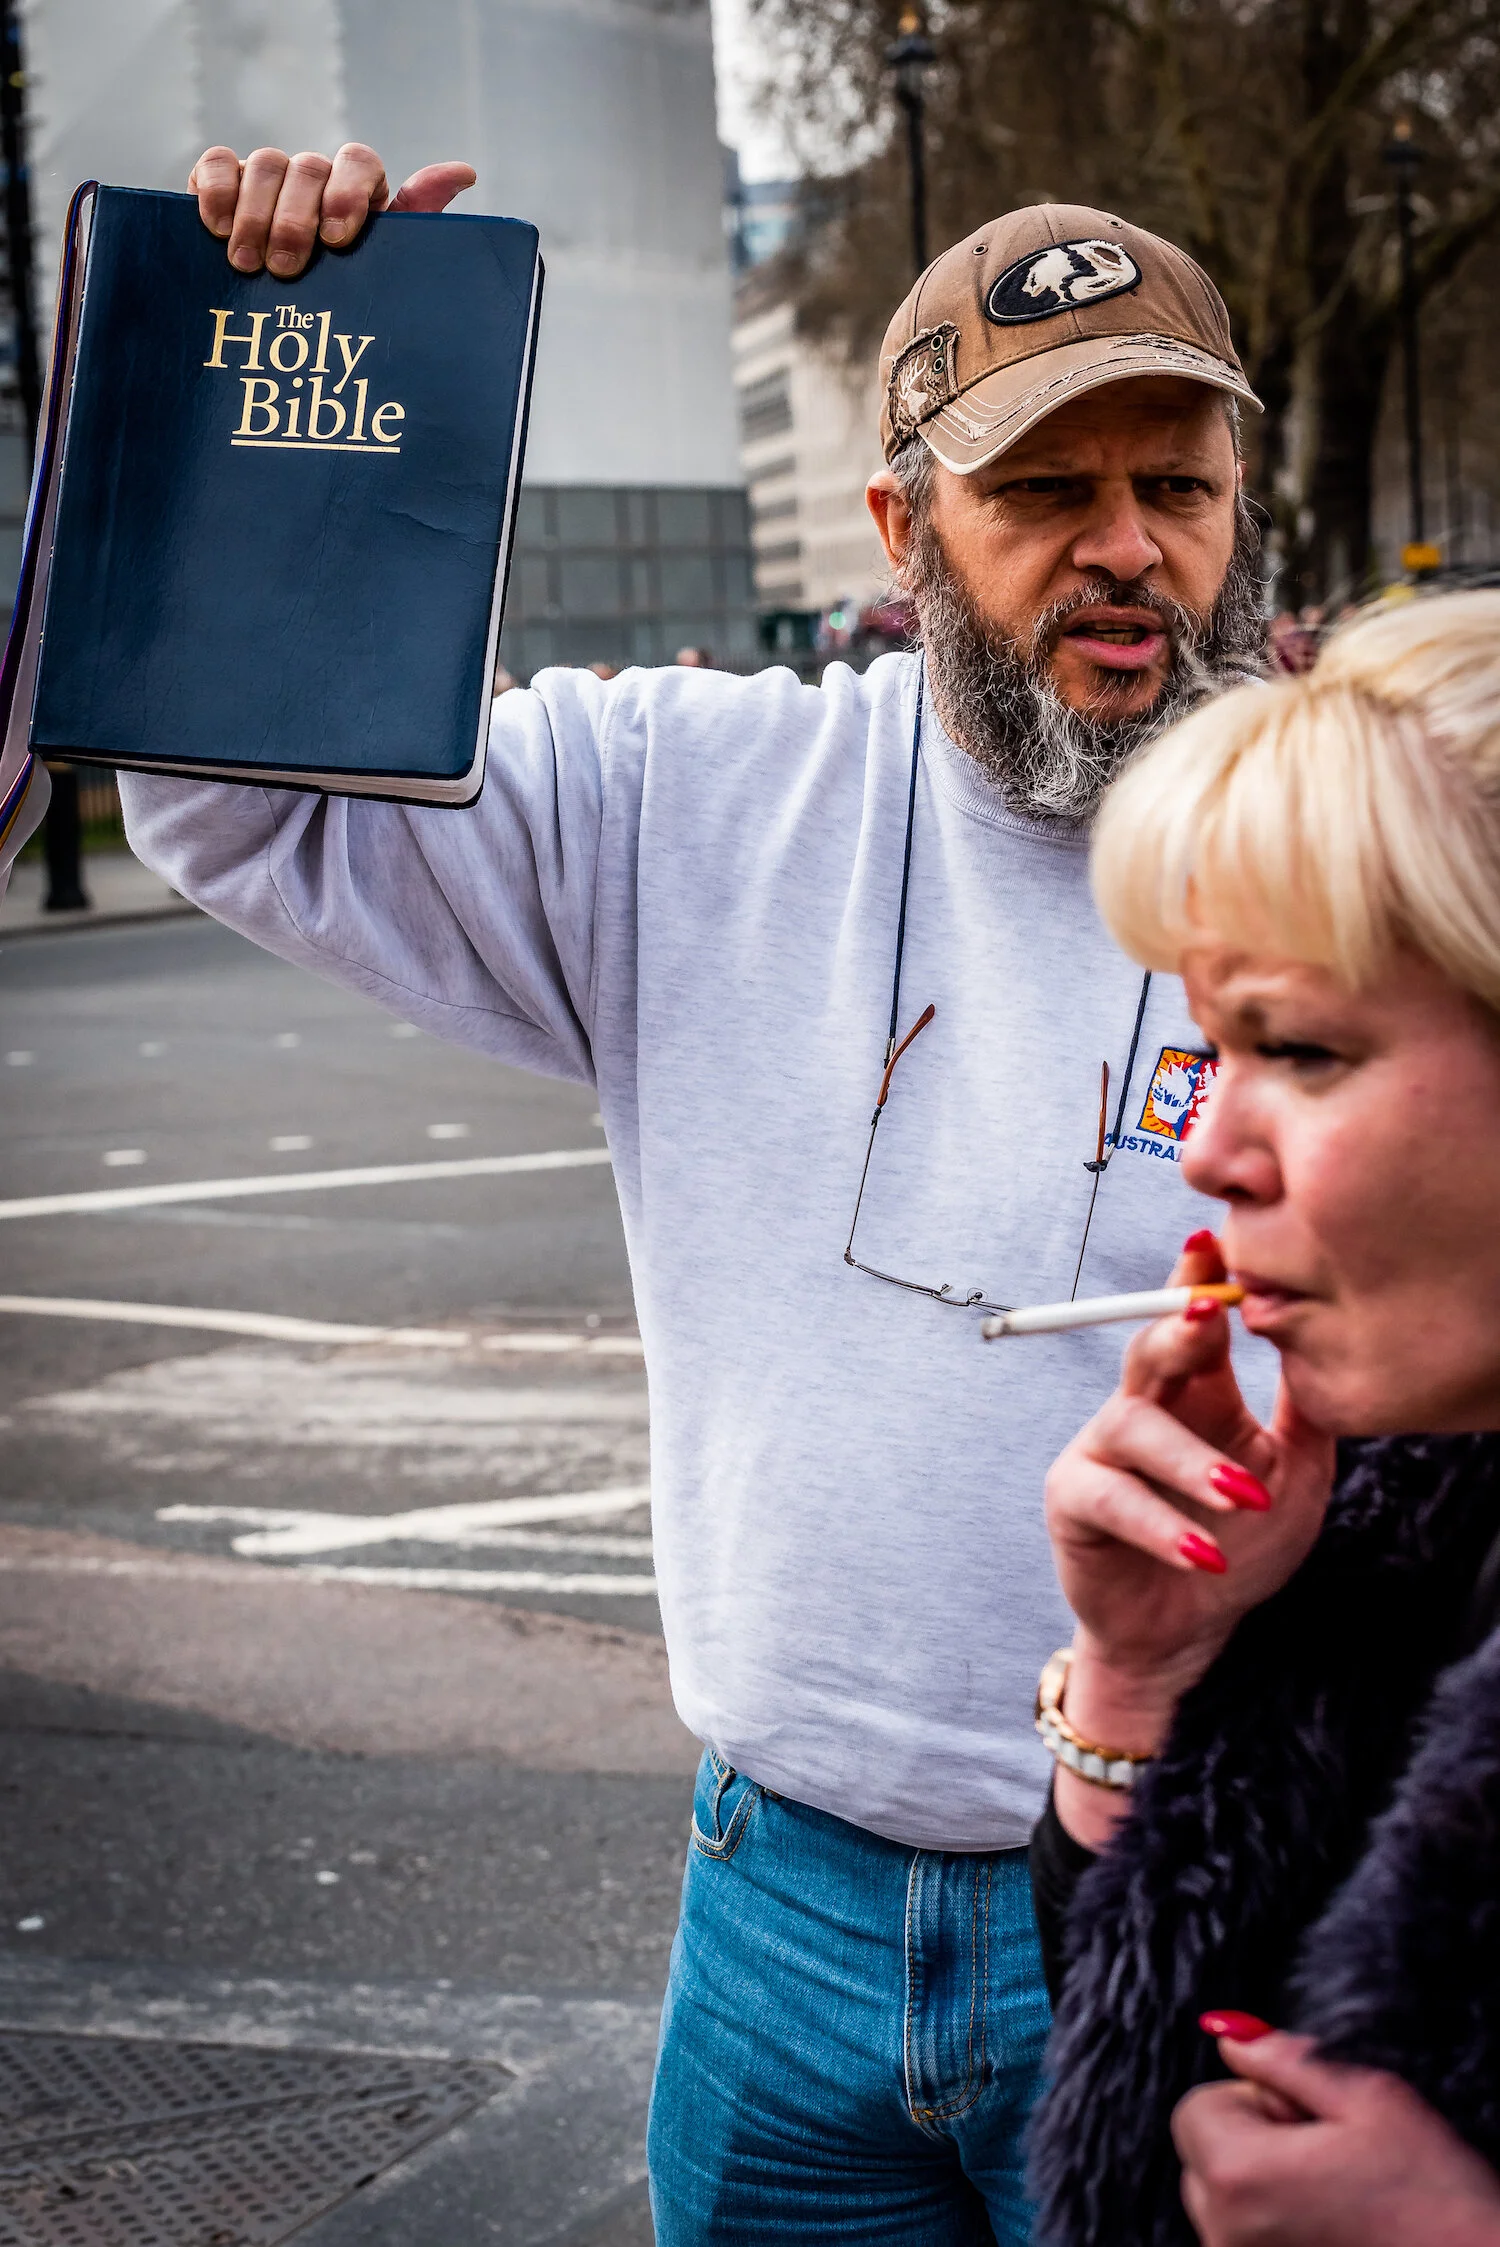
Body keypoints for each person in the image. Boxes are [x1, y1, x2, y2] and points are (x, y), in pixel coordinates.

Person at [124, 141, 1270, 2242]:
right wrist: (289, 353)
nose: (1127, 548)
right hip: (780, 1910)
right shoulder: (687, 793)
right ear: (903, 529)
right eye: (1044, 490)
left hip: (1207, 1885)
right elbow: (237, 806)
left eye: (1175, 487)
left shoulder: (1362, 848)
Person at [1024, 590, 1500, 2247]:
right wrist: (1136, 1685)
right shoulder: (1398, 1513)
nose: (1209, 1155)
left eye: (1296, 1047)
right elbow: (1128, 2057)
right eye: (1213, 1050)